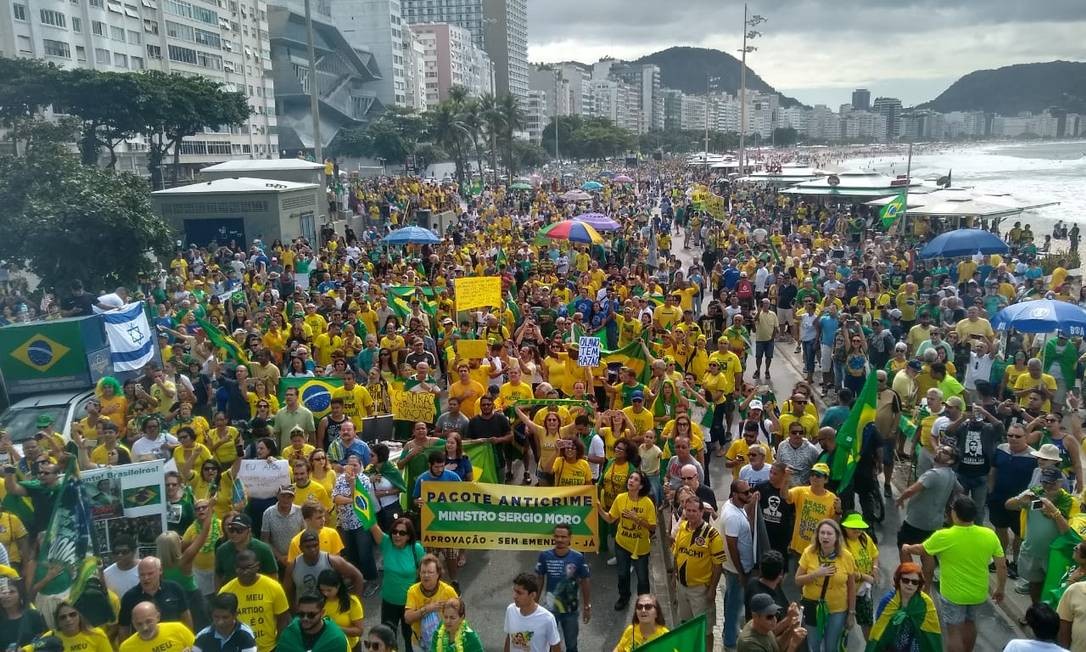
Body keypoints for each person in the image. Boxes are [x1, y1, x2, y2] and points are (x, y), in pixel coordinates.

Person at [902, 496, 1006, 652]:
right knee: (970, 624)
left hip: (953, 595)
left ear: (955, 514)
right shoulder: (989, 534)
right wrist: (1000, 588)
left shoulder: (944, 536)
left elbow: (921, 549)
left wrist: (907, 548)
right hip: (978, 593)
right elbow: (1002, 565)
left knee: (954, 632)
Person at [596, 470, 656, 611]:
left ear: (641, 486)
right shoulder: (621, 498)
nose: (631, 481)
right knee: (622, 574)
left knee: (642, 578)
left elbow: (653, 527)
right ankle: (624, 597)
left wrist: (637, 519)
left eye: (636, 480)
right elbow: (610, 518)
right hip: (622, 544)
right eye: (631, 478)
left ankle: (644, 603)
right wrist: (598, 508)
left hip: (640, 548)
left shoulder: (647, 503)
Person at [671, 493, 723, 651]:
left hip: (700, 589)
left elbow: (717, 565)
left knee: (705, 629)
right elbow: (676, 554)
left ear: (702, 512)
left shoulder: (712, 535)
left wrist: (712, 589)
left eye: (694, 510)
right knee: (685, 624)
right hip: (682, 586)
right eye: (688, 510)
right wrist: (674, 577)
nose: (691, 513)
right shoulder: (682, 529)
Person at [795, 519, 855, 652]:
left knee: (831, 646)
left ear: (836, 537)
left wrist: (851, 613)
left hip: (837, 610)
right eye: (822, 533)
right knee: (813, 644)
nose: (825, 536)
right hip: (812, 607)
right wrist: (816, 574)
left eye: (829, 533)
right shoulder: (809, 552)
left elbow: (851, 587)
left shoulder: (846, 556)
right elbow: (798, 580)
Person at [369, 517, 426, 652]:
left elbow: (425, 572)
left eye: (402, 533)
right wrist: (364, 500)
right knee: (387, 639)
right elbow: (372, 524)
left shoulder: (416, 549)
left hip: (410, 604)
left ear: (409, 536)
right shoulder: (386, 543)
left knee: (410, 639)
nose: (397, 535)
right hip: (389, 601)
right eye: (394, 531)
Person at [217, 550, 290, 652]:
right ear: (235, 569)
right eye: (240, 568)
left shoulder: (274, 587)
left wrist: (280, 645)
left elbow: (283, 619)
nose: (245, 571)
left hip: (269, 648)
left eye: (249, 567)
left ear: (257, 566)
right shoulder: (226, 591)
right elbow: (221, 621)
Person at [535, 524, 591, 652]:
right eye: (557, 536)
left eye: (563, 537)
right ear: (553, 537)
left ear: (570, 538)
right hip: (550, 610)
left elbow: (585, 580)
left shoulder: (578, 558)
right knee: (549, 644)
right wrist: (534, 603)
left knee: (571, 645)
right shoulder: (544, 556)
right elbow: (540, 578)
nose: (560, 539)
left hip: (571, 610)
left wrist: (587, 605)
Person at [867, 562, 942, 652]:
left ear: (919, 584)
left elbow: (931, 634)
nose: (910, 584)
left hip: (917, 645)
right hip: (892, 646)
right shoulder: (888, 601)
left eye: (914, 582)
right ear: (898, 580)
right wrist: (893, 622)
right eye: (906, 580)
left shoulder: (925, 602)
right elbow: (880, 630)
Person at [118, 557, 193, 639]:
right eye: (142, 575)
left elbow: (186, 617)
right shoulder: (129, 597)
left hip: (173, 641)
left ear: (160, 571)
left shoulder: (174, 589)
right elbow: (123, 628)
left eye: (150, 574)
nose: (146, 578)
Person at [721, 479, 756, 650]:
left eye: (750, 490)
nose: (749, 494)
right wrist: (741, 571)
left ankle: (728, 633)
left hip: (733, 569)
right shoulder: (733, 516)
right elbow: (732, 545)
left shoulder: (734, 505)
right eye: (746, 492)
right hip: (736, 570)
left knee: (730, 602)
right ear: (735, 495)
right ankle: (729, 642)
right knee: (735, 608)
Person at [404, 554, 458, 652]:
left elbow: (460, 616)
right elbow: (408, 618)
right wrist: (428, 609)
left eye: (430, 572)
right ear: (419, 574)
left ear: (438, 574)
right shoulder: (413, 591)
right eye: (423, 572)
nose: (426, 575)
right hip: (419, 644)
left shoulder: (448, 591)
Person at [840, 513, 879, 639]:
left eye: (859, 528)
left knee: (868, 623)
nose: (857, 531)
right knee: (843, 626)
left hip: (864, 591)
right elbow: (845, 572)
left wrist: (875, 568)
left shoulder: (864, 538)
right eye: (853, 528)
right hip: (846, 593)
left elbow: (874, 554)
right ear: (844, 528)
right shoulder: (841, 545)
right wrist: (865, 577)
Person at [214, 514, 278, 588]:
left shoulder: (263, 549)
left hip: (258, 593)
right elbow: (218, 575)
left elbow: (273, 575)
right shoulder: (222, 550)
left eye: (239, 530)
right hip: (233, 593)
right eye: (231, 529)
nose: (234, 533)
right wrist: (218, 595)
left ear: (249, 530)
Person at [277, 594, 349, 652]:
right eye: (301, 614)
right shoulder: (288, 635)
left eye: (311, 615)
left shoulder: (335, 639)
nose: (305, 618)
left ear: (322, 613)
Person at [737, 594, 807, 652]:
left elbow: (776, 647)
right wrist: (793, 644)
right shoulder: (750, 645)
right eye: (769, 617)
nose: (774, 619)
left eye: (776, 614)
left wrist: (791, 630)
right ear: (755, 616)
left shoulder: (762, 628)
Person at [193, 593, 259, 652]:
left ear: (235, 615)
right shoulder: (202, 636)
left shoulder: (246, 636)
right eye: (216, 617)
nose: (220, 622)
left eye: (225, 617)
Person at [316, 569, 364, 650]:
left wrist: (335, 629)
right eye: (322, 590)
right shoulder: (318, 601)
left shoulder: (351, 602)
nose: (325, 593)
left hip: (351, 647)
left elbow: (359, 631)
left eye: (329, 590)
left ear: (338, 586)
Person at [119, 602, 195, 652]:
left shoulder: (177, 629)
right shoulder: (126, 648)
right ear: (133, 623)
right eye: (139, 624)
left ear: (158, 617)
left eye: (149, 621)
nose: (145, 628)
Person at [0, 577, 47, 650]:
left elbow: (44, 642)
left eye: (11, 592)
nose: (7, 596)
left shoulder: (33, 616)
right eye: (2, 592)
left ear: (20, 594)